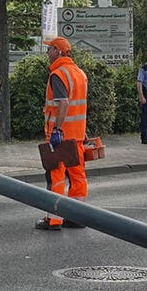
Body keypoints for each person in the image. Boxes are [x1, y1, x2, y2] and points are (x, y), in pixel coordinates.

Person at [36, 36, 88, 231]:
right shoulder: (80, 73)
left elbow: (64, 103)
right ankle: (77, 217)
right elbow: (79, 105)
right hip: (77, 137)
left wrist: (56, 130)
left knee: (55, 176)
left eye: (50, 49)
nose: (48, 52)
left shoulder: (58, 74)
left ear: (58, 51)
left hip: (60, 138)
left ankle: (53, 219)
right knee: (77, 177)